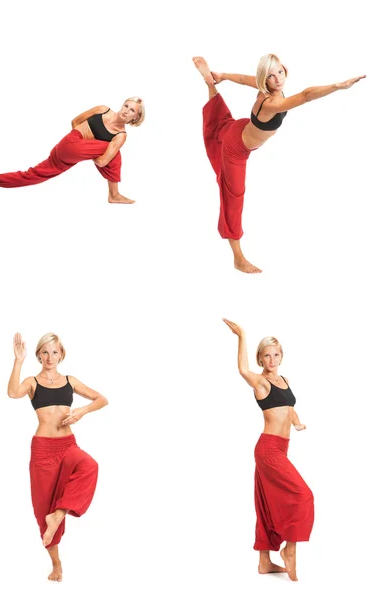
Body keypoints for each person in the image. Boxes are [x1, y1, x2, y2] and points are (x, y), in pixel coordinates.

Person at [193, 55, 365, 273]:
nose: (277, 80)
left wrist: (223, 76)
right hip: (236, 150)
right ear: (265, 79)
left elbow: (245, 79)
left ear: (285, 69)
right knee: (233, 198)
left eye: (279, 73)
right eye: (270, 76)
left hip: (240, 129)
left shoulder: (266, 87)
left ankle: (210, 80)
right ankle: (238, 258)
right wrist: (337, 86)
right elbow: (305, 95)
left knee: (220, 121)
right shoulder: (273, 102)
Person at [7, 332, 108, 582]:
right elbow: (12, 393)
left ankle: (59, 514)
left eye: (54, 351)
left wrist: (82, 411)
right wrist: (18, 360)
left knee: (89, 466)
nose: (49, 357)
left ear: (61, 354)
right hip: (42, 450)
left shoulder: (70, 381)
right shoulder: (32, 382)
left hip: (67, 445)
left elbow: (102, 399)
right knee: (43, 509)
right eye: (45, 352)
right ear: (39, 355)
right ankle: (56, 564)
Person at [223, 319, 313, 581]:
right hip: (269, 449)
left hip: (281, 449)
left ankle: (264, 561)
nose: (271, 359)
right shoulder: (261, 383)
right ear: (260, 359)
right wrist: (241, 335)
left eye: (275, 354)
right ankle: (289, 550)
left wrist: (297, 422)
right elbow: (241, 369)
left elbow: (288, 407)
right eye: (266, 355)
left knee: (266, 502)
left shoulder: (283, 380)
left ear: (281, 356)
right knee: (303, 495)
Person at [0, 97, 145, 204]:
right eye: (125, 105)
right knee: (115, 153)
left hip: (68, 156)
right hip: (69, 143)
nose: (126, 111)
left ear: (135, 117)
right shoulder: (102, 110)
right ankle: (114, 195)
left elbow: (102, 162)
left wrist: (85, 149)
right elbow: (75, 123)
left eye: (131, 110)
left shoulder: (120, 134)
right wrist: (85, 147)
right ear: (121, 105)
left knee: (31, 175)